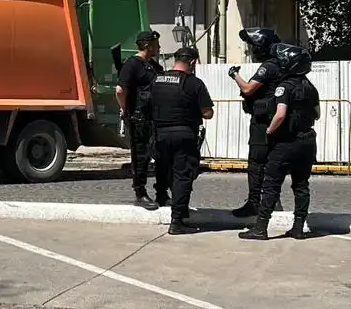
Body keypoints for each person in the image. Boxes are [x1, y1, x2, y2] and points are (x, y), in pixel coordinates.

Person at [239, 43, 320, 241]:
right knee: (301, 185)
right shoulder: (310, 87)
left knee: (271, 184)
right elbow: (317, 114)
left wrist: (270, 130)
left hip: (287, 141)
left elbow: (280, 114)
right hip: (308, 140)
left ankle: (260, 228)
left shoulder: (284, 86)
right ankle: (299, 227)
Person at [149, 46, 215, 234]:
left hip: (160, 134)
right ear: (192, 62)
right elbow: (207, 113)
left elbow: (148, 104)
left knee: (169, 173)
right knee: (183, 176)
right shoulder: (194, 83)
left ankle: (180, 209)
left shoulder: (157, 79)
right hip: (184, 134)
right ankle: (177, 221)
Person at [228, 28, 284, 217]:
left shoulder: (268, 66)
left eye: (254, 45)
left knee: (257, 163)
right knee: (271, 162)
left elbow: (249, 89)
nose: (251, 50)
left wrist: (235, 75)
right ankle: (272, 201)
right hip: (272, 120)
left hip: (263, 122)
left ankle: (255, 203)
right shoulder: (280, 65)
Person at [117, 30, 164, 208]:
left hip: (154, 117)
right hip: (139, 117)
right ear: (146, 45)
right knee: (141, 156)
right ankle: (140, 193)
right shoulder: (132, 64)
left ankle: (161, 191)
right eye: (156, 44)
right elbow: (120, 90)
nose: (159, 47)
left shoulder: (152, 66)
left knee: (160, 155)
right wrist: (124, 110)